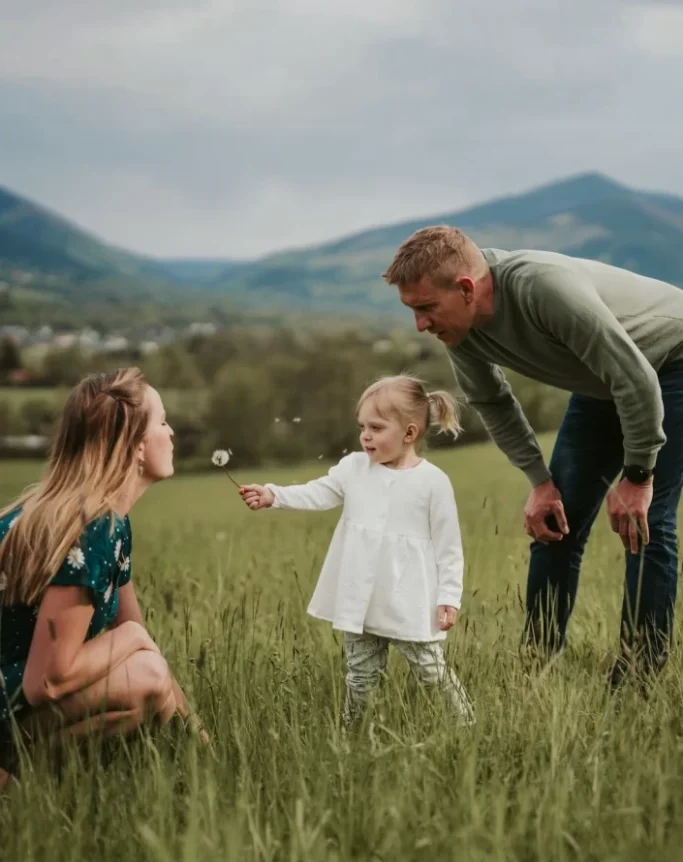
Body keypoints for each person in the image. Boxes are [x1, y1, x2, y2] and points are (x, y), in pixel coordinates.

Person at [382, 225, 683, 687]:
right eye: (412, 311)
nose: (421, 325)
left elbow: (636, 379)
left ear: (465, 288)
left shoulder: (543, 288)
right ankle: (535, 665)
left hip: (670, 362)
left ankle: (639, 677)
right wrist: (540, 483)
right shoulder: (460, 330)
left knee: (645, 520)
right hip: (606, 381)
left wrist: (639, 475)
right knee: (554, 524)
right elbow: (493, 403)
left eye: (426, 308)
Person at [0, 367, 206, 782]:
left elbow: (136, 636)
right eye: (162, 422)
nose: (170, 433)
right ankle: (18, 782)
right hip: (10, 701)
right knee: (142, 678)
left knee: (143, 673)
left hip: (12, 701)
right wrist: (134, 640)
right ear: (136, 447)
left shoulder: (109, 523)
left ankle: (198, 766)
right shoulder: (90, 526)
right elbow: (47, 681)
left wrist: (201, 741)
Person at [239, 374, 475, 727]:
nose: (365, 435)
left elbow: (449, 547)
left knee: (430, 668)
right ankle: (354, 736)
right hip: (361, 597)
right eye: (362, 426)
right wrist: (275, 495)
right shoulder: (354, 468)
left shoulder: (433, 483)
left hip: (409, 598)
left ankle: (465, 725)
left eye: (377, 428)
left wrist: (449, 597)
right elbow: (318, 492)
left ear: (409, 434)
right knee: (361, 674)